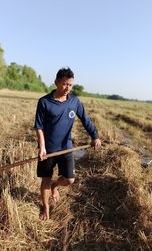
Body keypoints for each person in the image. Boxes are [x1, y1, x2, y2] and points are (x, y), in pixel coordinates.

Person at [34, 67, 101, 220]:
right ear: (56, 82)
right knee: (45, 179)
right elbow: (39, 127)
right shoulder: (44, 102)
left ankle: (55, 186)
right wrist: (42, 147)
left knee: (69, 179)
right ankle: (45, 208)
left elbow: (85, 120)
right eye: (64, 84)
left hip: (66, 148)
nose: (67, 88)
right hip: (48, 150)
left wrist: (95, 136)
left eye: (70, 85)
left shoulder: (74, 101)